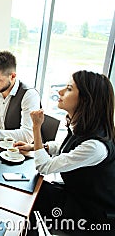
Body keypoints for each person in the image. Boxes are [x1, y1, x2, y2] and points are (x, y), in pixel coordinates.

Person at [16, 71, 115, 235]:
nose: (60, 92)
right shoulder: (86, 129)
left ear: (85, 100)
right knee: (31, 192)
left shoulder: (95, 147)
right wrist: (38, 147)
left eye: (69, 89)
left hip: (91, 217)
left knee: (31, 199)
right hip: (78, 196)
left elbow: (44, 167)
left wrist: (36, 128)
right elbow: (67, 148)